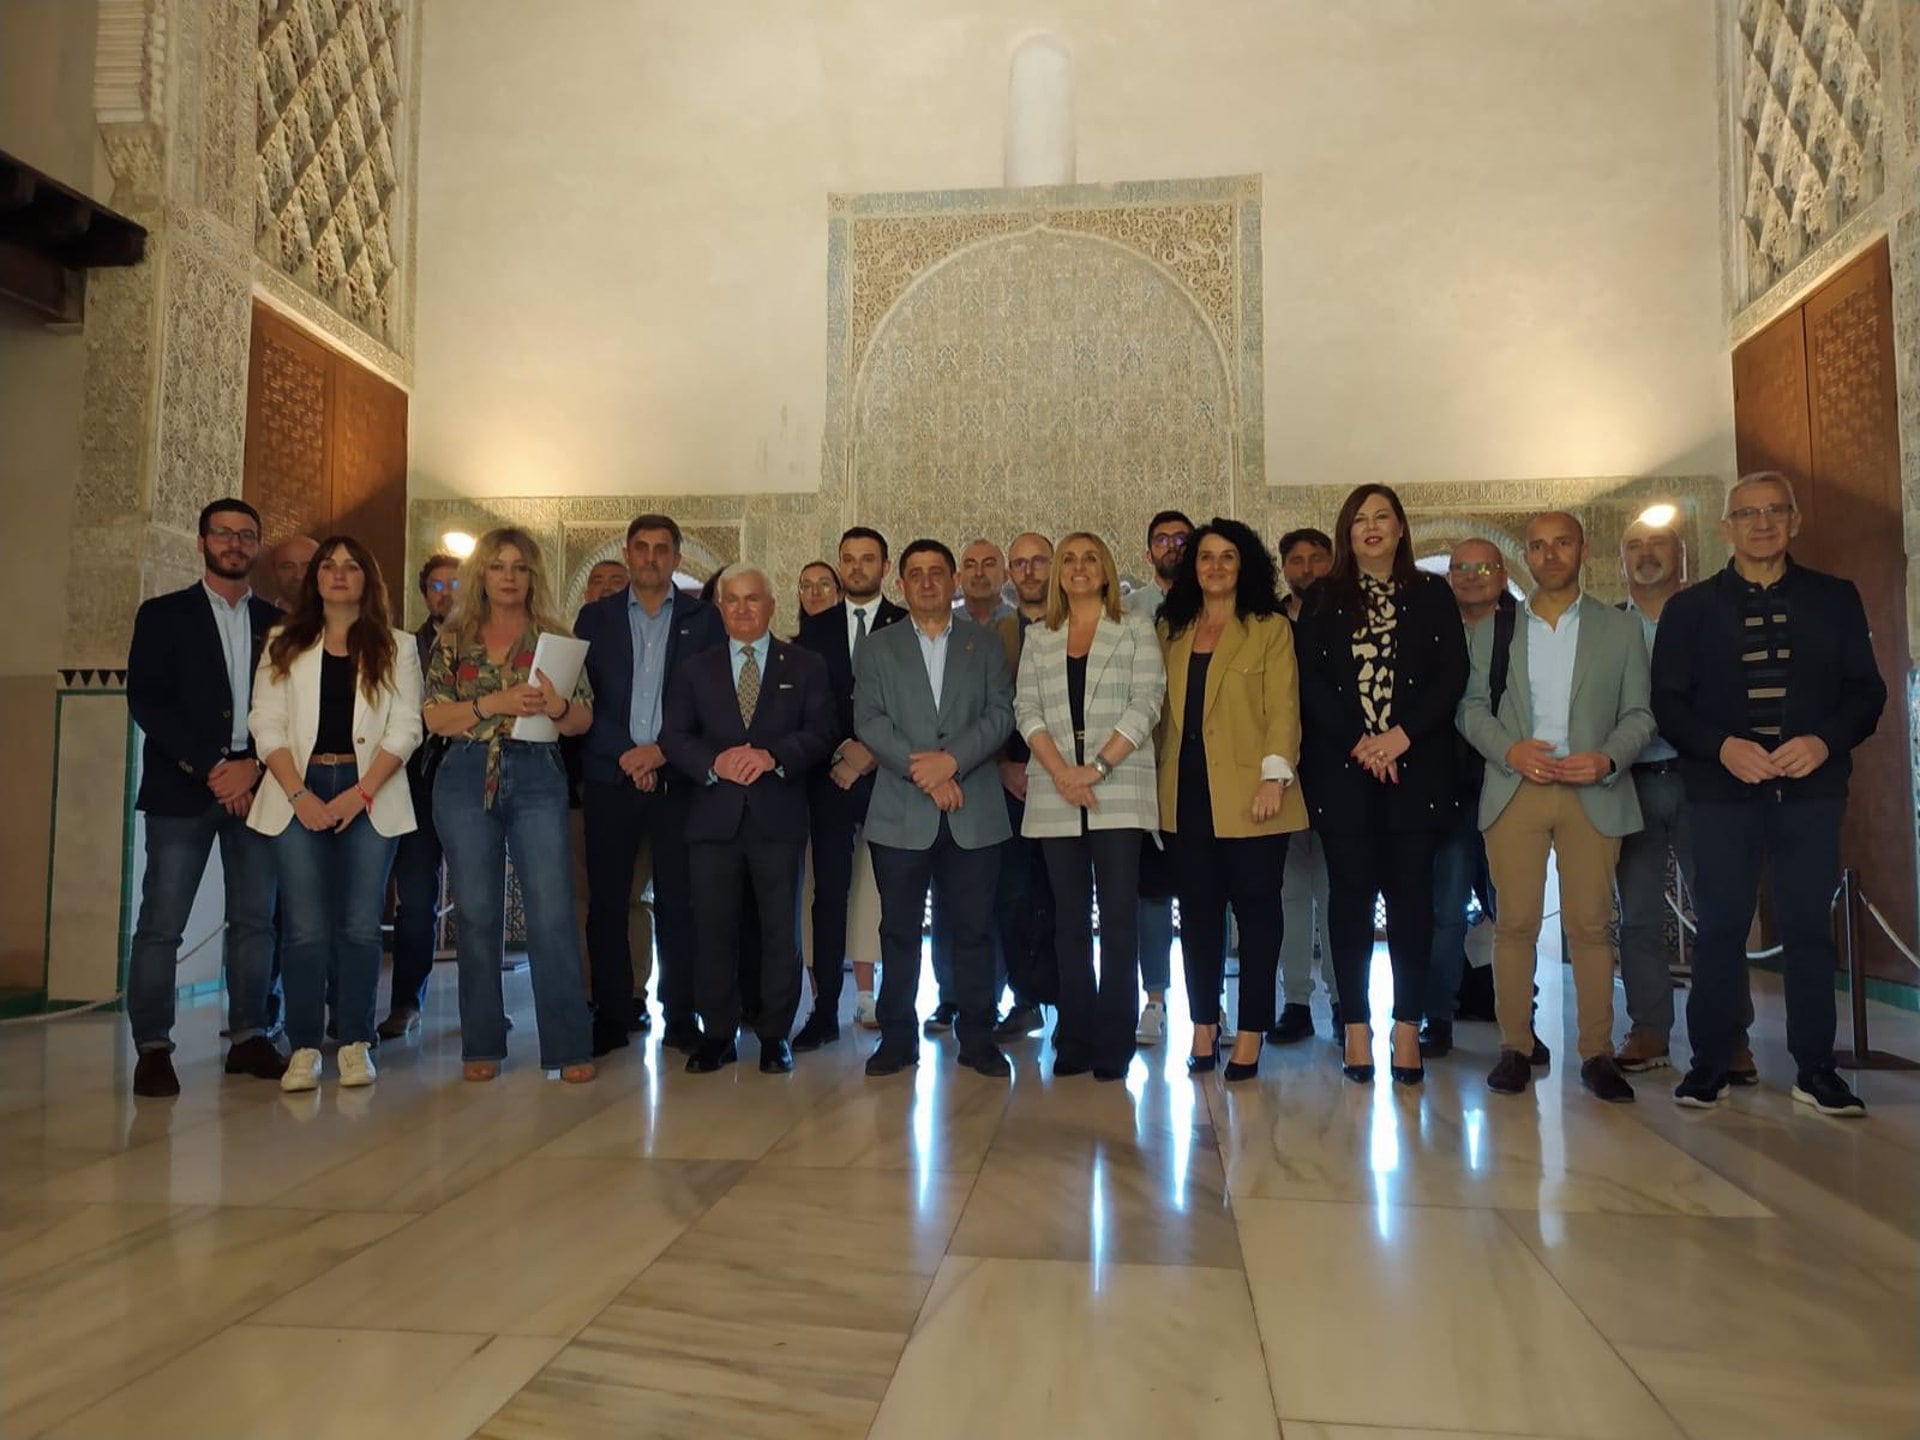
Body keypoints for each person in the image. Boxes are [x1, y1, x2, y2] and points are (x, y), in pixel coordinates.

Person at [1656, 472, 1887, 1116]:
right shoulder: (1690, 609)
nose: (1762, 523)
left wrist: (1822, 740)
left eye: (1775, 511)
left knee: (1809, 929)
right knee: (1722, 928)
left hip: (1810, 792)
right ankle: (1709, 1064)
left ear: (1794, 522)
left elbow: (1867, 694)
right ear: (1725, 527)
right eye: (1747, 513)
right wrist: (1722, 746)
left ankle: (1817, 1069)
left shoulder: (1835, 599)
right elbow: (1668, 705)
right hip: (1722, 792)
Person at [1460, 511, 1654, 1104]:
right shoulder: (1497, 628)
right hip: (1516, 787)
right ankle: (1515, 1047)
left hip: (1591, 788)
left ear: (1582, 549)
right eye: (1537, 546)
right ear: (1527, 556)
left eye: (1560, 543)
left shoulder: (1618, 629)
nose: (1548, 555)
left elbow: (1640, 715)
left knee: (1591, 928)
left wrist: (1606, 760)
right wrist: (1510, 751)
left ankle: (1597, 1053)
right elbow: (1469, 709)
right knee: (1514, 924)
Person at [1296, 488, 1468, 1086]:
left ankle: (1406, 1027)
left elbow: (1452, 676)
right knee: (1347, 901)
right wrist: (1362, 743)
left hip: (1414, 770)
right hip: (1344, 773)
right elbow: (1311, 683)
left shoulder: (1432, 594)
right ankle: (1356, 1028)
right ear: (1347, 533)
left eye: (1382, 518)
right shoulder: (1321, 599)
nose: (1371, 529)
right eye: (1359, 520)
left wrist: (1398, 738)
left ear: (1400, 530)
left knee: (1411, 902)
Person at [124, 499, 287, 1097]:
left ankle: (248, 1036)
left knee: (253, 921)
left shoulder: (279, 622)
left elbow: (290, 711)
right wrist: (216, 767)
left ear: (257, 546)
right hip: (182, 790)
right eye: (224, 533)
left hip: (260, 789)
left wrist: (251, 771)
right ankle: (153, 1048)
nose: (235, 544)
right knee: (161, 925)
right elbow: (148, 701)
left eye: (247, 535)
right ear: (202, 543)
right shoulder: (163, 615)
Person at [423, 527, 597, 1083]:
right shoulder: (452, 638)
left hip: (538, 773)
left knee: (552, 913)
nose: (508, 577)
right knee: (476, 914)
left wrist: (559, 703)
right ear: (482, 575)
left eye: (519, 567)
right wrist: (493, 702)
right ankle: (482, 1041)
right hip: (465, 774)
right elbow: (433, 718)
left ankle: (568, 1046)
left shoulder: (555, 636)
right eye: (497, 566)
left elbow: (581, 721)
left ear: (532, 575)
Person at [248, 536, 421, 1091]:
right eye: (329, 566)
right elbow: (264, 724)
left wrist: (361, 793)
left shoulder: (397, 645)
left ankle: (354, 1041)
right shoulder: (283, 641)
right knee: (303, 927)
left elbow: (406, 728)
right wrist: (300, 795)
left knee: (359, 925)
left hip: (370, 789)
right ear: (314, 579)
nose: (339, 575)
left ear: (368, 579)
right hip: (296, 789)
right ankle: (303, 1047)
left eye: (351, 566)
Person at [662, 565, 836, 1074]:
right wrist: (713, 763)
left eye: (752, 599)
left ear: (771, 605)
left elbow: (822, 731)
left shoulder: (804, 665)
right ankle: (717, 1033)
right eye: (731, 600)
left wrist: (770, 757)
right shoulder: (696, 668)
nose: (742, 609)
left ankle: (774, 1034)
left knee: (781, 931)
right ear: (720, 608)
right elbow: (674, 736)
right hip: (713, 818)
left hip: (776, 816)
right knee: (712, 928)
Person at [855, 539, 1015, 1077]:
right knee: (898, 932)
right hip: (900, 814)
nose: (926, 582)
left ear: (952, 583)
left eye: (936, 573)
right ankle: (897, 1039)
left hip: (975, 809)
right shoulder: (877, 648)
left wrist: (952, 762)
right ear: (900, 585)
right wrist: (924, 770)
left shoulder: (985, 644)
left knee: (974, 930)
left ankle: (978, 1039)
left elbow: (1000, 715)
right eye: (915, 574)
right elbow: (870, 722)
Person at [1155, 518, 1306, 1080]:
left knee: (1258, 916)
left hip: (1253, 796)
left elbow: (1284, 709)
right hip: (1184, 793)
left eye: (1227, 557)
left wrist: (1274, 778)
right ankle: (1203, 1024)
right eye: (1205, 557)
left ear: (1245, 565)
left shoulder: (1268, 628)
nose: (1215, 567)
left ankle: (1250, 1032)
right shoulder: (1171, 629)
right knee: (1195, 916)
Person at [1015, 532, 1165, 1079]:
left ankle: (1115, 1037)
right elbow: (1025, 708)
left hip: (1116, 787)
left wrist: (1095, 768)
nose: (1079, 568)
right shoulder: (1039, 637)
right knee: (1068, 921)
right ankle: (1074, 1033)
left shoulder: (1135, 630)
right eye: (1069, 560)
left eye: (1090, 559)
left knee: (1120, 920)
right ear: (1058, 573)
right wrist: (1061, 773)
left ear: (1106, 571)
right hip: (1056, 790)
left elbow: (1146, 703)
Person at [574, 514, 725, 1054]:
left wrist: (661, 752)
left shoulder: (705, 620)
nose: (651, 558)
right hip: (611, 774)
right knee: (609, 904)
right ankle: (612, 1014)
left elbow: (711, 702)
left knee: (680, 904)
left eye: (663, 549)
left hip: (678, 779)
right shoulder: (594, 619)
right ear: (628, 553)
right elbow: (582, 697)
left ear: (678, 559)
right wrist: (628, 754)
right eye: (642, 548)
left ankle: (680, 1016)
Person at [792, 526, 907, 1046]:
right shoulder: (816, 629)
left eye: (868, 559)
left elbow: (913, 707)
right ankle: (823, 1011)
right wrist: (842, 750)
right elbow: (808, 707)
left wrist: (871, 753)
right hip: (831, 777)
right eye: (849, 559)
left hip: (890, 779)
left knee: (897, 893)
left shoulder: (905, 626)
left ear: (885, 567)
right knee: (829, 895)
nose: (857, 567)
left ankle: (896, 1008)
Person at [1612, 517, 1716, 1074]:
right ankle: (1649, 1028)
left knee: (1718, 912)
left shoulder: (1710, 617)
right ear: (1619, 560)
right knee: (1639, 916)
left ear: (1682, 553)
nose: (1646, 554)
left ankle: (1727, 1034)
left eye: (1657, 544)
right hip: (1633, 784)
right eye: (1634, 545)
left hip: (1704, 781)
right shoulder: (1606, 628)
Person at [1422, 538, 1513, 1056]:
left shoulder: (1526, 632)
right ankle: (1439, 1017)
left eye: (1483, 567)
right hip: (1450, 792)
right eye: (1461, 567)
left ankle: (1517, 1022)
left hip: (1511, 785)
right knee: (1447, 911)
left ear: (1502, 575)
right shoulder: (1433, 632)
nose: (1472, 575)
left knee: (1513, 910)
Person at [567, 558, 657, 1035]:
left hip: (653, 778)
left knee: (634, 897)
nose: (603, 589)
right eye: (595, 581)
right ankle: (593, 994)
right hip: (589, 786)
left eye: (614, 583)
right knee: (591, 899)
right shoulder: (572, 642)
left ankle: (634, 992)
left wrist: (644, 757)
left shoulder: (654, 635)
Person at [379, 552, 459, 1040]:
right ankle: (407, 1001)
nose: (446, 593)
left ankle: (483, 1003)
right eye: (436, 585)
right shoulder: (401, 647)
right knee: (415, 900)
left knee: (480, 900)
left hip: (473, 782)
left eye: (455, 584)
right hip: (415, 786)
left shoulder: (487, 643)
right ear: (423, 591)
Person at [1126, 509, 1192, 1044]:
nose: (1173, 546)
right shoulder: (1128, 615)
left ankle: (1210, 1007)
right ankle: (1154, 1000)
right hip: (1143, 770)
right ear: (1148, 552)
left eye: (1182, 539)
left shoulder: (1219, 609)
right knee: (1149, 894)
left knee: (1205, 893)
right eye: (1162, 540)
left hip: (1204, 773)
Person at [990, 531, 1059, 1040]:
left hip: (1070, 783)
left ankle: (1072, 1001)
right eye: (1021, 563)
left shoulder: (1084, 629)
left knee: (1067, 897)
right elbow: (983, 710)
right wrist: (1002, 767)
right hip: (1013, 784)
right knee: (1014, 896)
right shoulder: (995, 637)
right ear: (1009, 573)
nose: (1030, 571)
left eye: (1039, 561)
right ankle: (1026, 999)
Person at [1272, 526, 1337, 1043]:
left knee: (1337, 894)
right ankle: (1295, 1001)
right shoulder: (1266, 622)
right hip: (1281, 776)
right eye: (1297, 560)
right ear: (1284, 568)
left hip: (1339, 771)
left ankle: (1343, 1001)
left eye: (1318, 558)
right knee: (1290, 893)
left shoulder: (1350, 617)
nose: (1308, 569)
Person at [958, 538, 1015, 627]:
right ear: (959, 578)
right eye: (970, 566)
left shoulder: (1021, 625)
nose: (979, 573)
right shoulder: (944, 623)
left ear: (1005, 576)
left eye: (988, 564)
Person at [265, 535, 319, 611]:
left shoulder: (338, 619)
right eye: (288, 567)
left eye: (308, 566)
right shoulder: (256, 618)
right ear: (273, 573)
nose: (298, 576)